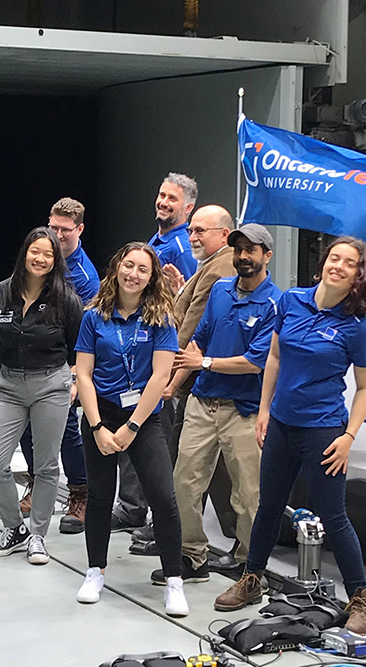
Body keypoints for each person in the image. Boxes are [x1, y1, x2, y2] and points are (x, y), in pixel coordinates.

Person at [214, 237, 366, 635]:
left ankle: (361, 600)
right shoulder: (292, 301)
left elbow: (364, 390)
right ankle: (252, 578)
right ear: (323, 262)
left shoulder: (357, 327)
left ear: (358, 275)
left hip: (324, 431)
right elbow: (273, 357)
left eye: (348, 263)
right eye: (334, 258)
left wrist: (348, 437)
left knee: (334, 516)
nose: (338, 266)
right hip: (282, 425)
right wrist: (263, 410)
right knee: (269, 506)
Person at [151, 224, 281, 586]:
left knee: (248, 493)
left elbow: (255, 362)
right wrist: (172, 385)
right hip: (203, 403)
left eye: (251, 250)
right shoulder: (221, 290)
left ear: (266, 256)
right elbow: (199, 341)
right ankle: (192, 557)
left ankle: (248, 563)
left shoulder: (275, 304)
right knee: (184, 482)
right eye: (238, 249)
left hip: (244, 409)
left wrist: (202, 365)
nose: (243, 257)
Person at [74, 242, 188, 617]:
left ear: (151, 277)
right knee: (101, 497)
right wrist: (97, 427)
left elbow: (160, 376)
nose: (133, 274)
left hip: (144, 417)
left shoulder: (160, 318)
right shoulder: (94, 316)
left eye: (142, 268)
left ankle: (174, 580)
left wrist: (133, 426)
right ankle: (95, 571)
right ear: (117, 267)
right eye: (128, 265)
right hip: (101, 415)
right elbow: (84, 376)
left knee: (163, 497)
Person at [133, 206, 241, 571]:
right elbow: (190, 311)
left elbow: (193, 330)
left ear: (224, 235)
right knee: (191, 468)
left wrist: (165, 375)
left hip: (205, 384)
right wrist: (180, 289)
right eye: (192, 231)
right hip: (195, 384)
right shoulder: (210, 266)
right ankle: (182, 539)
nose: (192, 237)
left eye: (201, 231)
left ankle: (227, 545)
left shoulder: (221, 268)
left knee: (203, 469)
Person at [0, 227, 83, 566]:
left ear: (55, 261)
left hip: (51, 384)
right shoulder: (0, 293)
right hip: (10, 385)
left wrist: (75, 384)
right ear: (24, 253)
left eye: (48, 254)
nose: (40, 259)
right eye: (34, 251)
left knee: (46, 465)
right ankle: (15, 528)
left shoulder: (66, 300)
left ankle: (38, 535)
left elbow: (79, 348)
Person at [111, 173, 200, 532]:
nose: (163, 202)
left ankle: (144, 510)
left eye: (172, 199)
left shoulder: (181, 248)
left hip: (159, 364)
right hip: (137, 361)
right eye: (161, 195)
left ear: (188, 207)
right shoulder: (157, 239)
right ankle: (132, 505)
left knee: (153, 439)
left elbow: (190, 310)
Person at [17, 197, 99, 534]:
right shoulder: (37, 256)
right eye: (54, 227)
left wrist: (76, 378)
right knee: (25, 426)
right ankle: (37, 482)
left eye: (65, 230)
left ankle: (80, 494)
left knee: (65, 430)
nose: (58, 234)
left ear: (79, 230)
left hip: (63, 364)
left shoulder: (83, 276)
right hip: (30, 361)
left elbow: (85, 332)